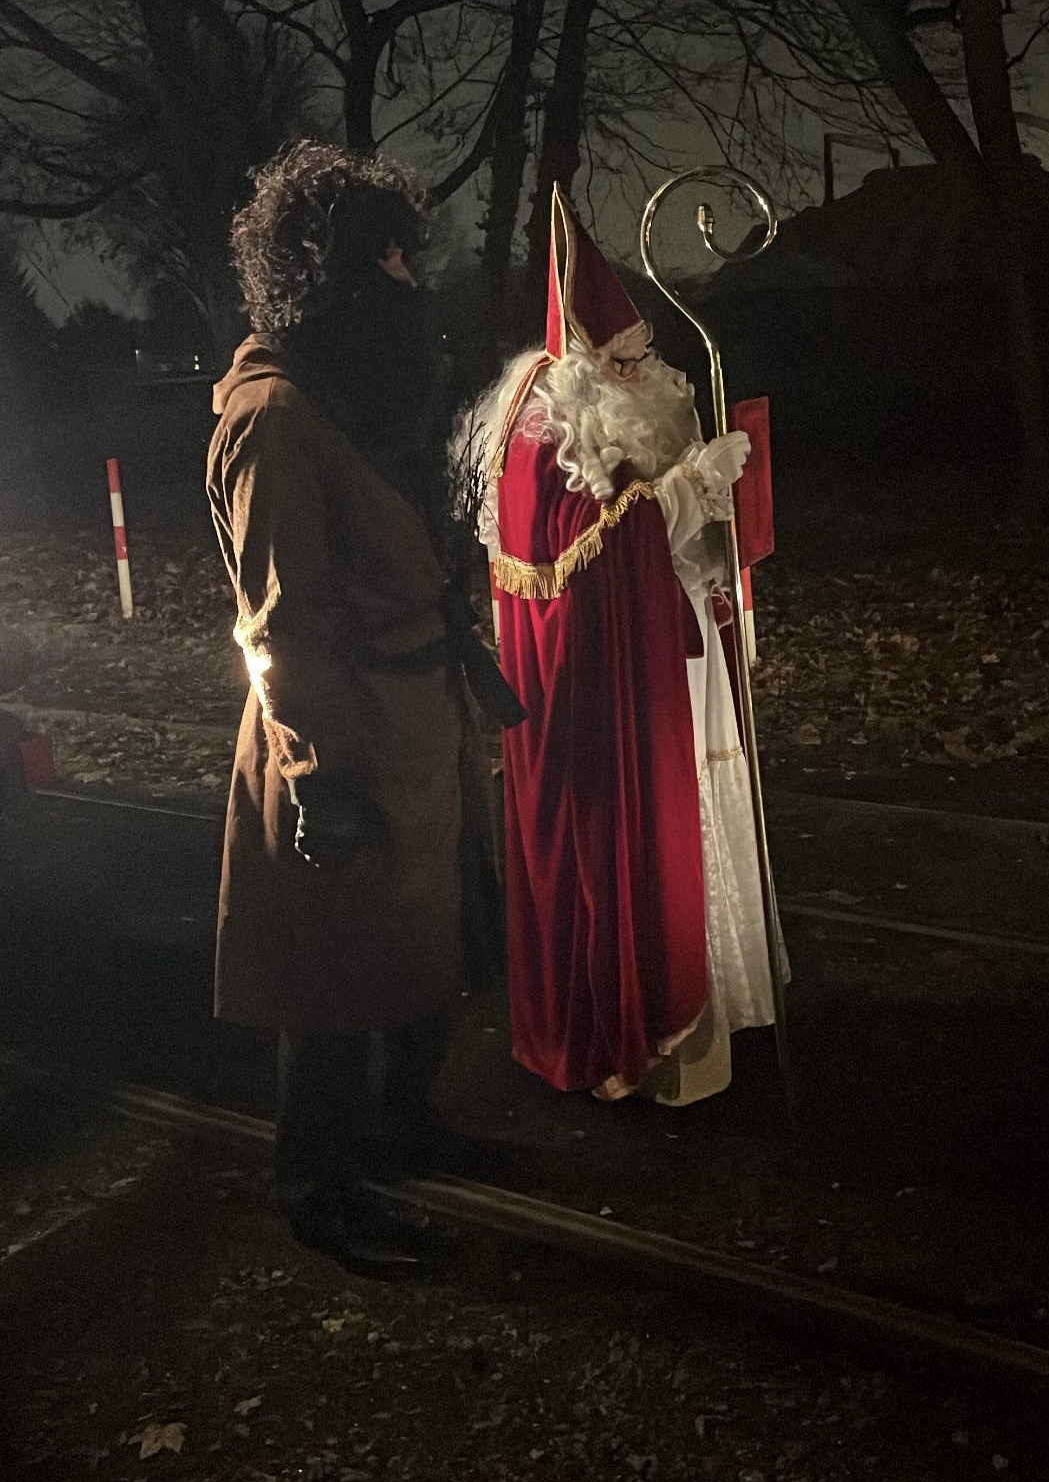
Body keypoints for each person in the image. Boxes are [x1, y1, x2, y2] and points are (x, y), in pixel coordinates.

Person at [208, 140, 502, 1276]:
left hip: (415, 714)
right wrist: (319, 782)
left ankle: (397, 1126)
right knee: (332, 976)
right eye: (385, 256)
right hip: (341, 736)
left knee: (421, 949)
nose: (408, 277)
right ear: (326, 271)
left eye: (405, 252)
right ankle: (321, 1189)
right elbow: (283, 625)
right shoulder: (278, 416)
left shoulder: (353, 400)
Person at [464, 185, 780, 1106]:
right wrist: (691, 486)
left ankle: (722, 1014)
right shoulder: (542, 429)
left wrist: (724, 517)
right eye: (624, 360)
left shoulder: (629, 400)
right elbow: (592, 554)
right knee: (643, 840)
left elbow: (661, 530)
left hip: (678, 644)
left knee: (702, 812)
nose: (645, 373)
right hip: (612, 686)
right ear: (585, 362)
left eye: (646, 354)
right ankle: (651, 1049)